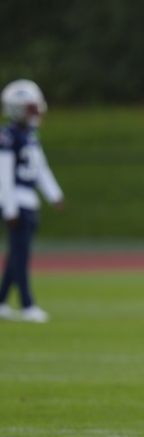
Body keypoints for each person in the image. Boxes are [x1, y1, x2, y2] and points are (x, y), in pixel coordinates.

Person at [0, 79, 64, 323]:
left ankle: (1, 302)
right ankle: (27, 305)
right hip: (16, 201)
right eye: (31, 108)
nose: (36, 112)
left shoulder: (30, 135)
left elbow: (40, 169)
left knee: (17, 254)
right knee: (21, 256)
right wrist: (9, 208)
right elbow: (4, 175)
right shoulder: (8, 137)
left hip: (29, 201)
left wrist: (54, 194)